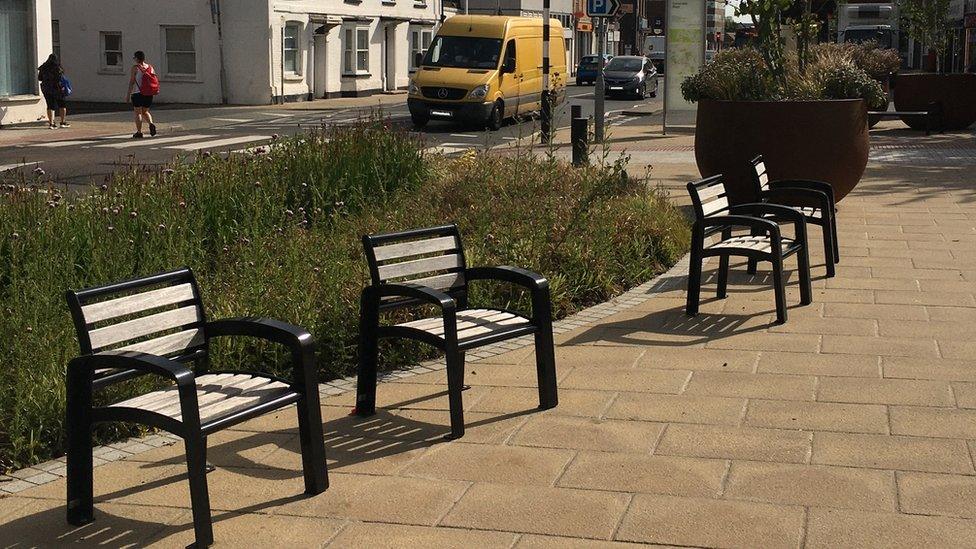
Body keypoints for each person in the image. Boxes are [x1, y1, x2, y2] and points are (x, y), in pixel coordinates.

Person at [125, 51, 158, 138]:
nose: (134, 59)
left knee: (138, 113)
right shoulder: (150, 67)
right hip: (149, 93)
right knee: (146, 111)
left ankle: (139, 132)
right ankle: (151, 124)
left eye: (134, 57)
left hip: (137, 93)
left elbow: (132, 82)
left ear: (137, 58)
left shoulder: (135, 68)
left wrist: (128, 94)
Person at [37, 54, 70, 129]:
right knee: (62, 105)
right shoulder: (57, 67)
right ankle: (62, 122)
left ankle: (51, 123)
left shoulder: (43, 67)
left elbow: (40, 78)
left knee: (50, 105)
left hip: (47, 89)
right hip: (57, 89)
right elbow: (60, 78)